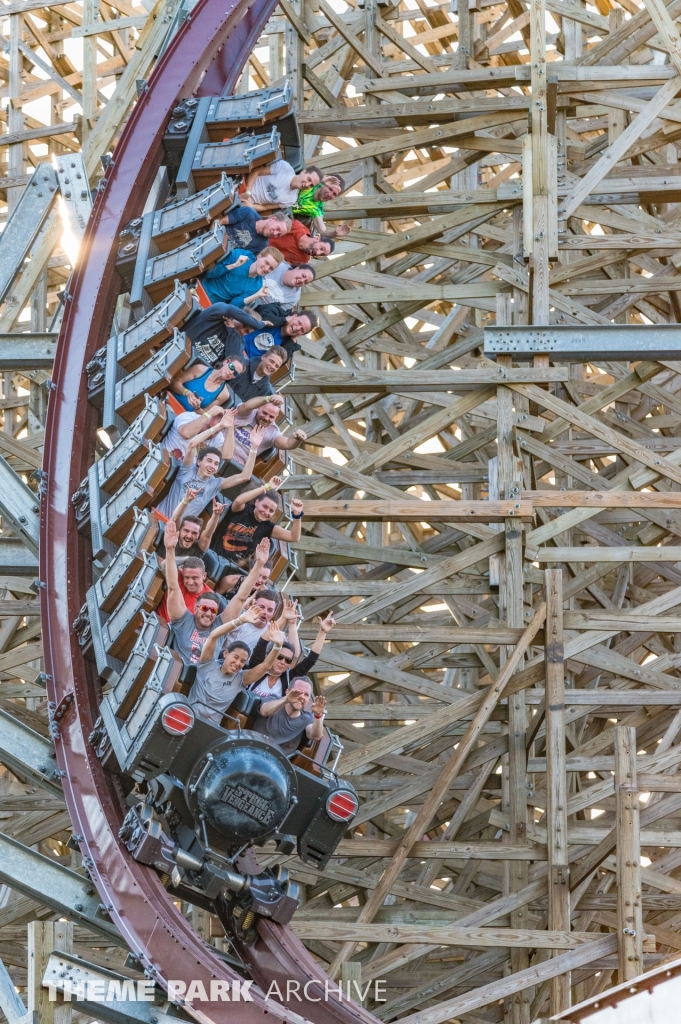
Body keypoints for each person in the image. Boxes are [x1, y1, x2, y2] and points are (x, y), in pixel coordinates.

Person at [189, 612, 286, 726]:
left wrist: (278, 646)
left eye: (243, 661)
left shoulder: (240, 679)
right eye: (236, 657)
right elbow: (213, 636)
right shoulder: (207, 665)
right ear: (226, 654)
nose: (238, 663)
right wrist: (240, 620)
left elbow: (265, 666)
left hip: (209, 728)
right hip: (188, 715)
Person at [154, 421, 262, 520]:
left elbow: (245, 476)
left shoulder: (215, 484)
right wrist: (219, 426)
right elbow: (192, 444)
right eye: (209, 461)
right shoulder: (187, 469)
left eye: (216, 464)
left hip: (176, 532)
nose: (212, 466)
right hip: (158, 517)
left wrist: (254, 447)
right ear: (199, 462)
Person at [206, 483, 305, 567]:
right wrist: (265, 487)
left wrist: (297, 515)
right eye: (265, 506)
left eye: (271, 511)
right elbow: (238, 501)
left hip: (233, 567)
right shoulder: (242, 510)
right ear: (257, 502)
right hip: (213, 555)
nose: (266, 512)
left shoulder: (267, 527)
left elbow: (294, 537)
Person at [248, 612, 336, 700]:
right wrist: (283, 618)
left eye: (288, 660)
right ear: (272, 654)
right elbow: (262, 643)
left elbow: (311, 659)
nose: (283, 662)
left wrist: (323, 632)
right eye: (279, 657)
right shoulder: (257, 665)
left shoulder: (289, 678)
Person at [253, 677, 327, 754]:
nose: (302, 697)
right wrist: (286, 700)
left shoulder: (307, 719)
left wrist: (318, 715)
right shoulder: (274, 699)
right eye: (298, 692)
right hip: (254, 748)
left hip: (276, 761)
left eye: (306, 695)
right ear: (287, 692)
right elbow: (264, 711)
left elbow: (316, 736)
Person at [200, 247, 283, 307]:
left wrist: (256, 295)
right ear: (259, 257)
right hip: (200, 287)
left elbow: (233, 305)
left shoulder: (257, 285)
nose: (266, 268)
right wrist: (234, 265)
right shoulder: (241, 254)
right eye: (266, 263)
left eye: (271, 268)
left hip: (210, 303)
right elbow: (210, 274)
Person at [184, 303, 262, 366]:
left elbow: (233, 362)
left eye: (247, 331)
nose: (242, 331)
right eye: (244, 325)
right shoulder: (219, 315)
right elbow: (226, 308)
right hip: (182, 349)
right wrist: (259, 324)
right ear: (238, 317)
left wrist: (232, 332)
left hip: (195, 369)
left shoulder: (238, 342)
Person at [232, 403, 306, 468]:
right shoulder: (248, 413)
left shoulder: (273, 432)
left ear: (276, 417)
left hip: (235, 462)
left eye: (271, 417)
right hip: (221, 446)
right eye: (264, 413)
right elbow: (245, 406)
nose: (266, 418)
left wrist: (297, 439)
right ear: (258, 407)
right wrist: (267, 399)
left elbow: (287, 443)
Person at [156, 555, 223, 623]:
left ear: (204, 576)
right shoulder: (179, 577)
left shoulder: (209, 599)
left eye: (195, 578)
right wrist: (187, 559)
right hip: (155, 620)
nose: (190, 582)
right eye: (187, 577)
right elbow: (165, 564)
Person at [170, 356, 244, 412]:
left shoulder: (224, 394)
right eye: (232, 367)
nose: (231, 372)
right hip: (170, 401)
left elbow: (205, 415)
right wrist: (187, 392)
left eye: (235, 373)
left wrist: (197, 407)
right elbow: (174, 383)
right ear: (226, 362)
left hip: (184, 417)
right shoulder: (200, 369)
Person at [241, 310, 318, 363]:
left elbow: (279, 363)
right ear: (294, 316)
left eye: (302, 330)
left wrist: (291, 343)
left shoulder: (287, 345)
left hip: (246, 361)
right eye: (299, 322)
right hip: (236, 340)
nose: (297, 328)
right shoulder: (277, 315)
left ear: (301, 335)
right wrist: (284, 319)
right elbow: (262, 315)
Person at [243, 161, 322, 213]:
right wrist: (248, 192)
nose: (307, 185)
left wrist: (251, 206)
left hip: (245, 203)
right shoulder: (285, 168)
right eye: (309, 179)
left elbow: (265, 207)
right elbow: (256, 172)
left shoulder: (292, 199)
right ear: (303, 172)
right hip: (244, 184)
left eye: (311, 185)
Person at [292, 175, 351, 239]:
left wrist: (334, 233)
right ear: (324, 183)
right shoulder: (311, 182)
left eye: (334, 194)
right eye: (330, 189)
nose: (329, 194)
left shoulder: (317, 209)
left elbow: (323, 231)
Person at [219, 207, 291, 254]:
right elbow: (220, 222)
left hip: (222, 254)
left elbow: (237, 256)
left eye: (278, 235)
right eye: (278, 228)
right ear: (273, 219)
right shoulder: (249, 213)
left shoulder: (262, 244)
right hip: (216, 235)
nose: (275, 233)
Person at [270, 220, 334, 264]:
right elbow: (269, 225)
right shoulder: (297, 226)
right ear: (317, 238)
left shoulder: (303, 260)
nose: (317, 253)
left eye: (321, 254)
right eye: (321, 248)